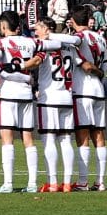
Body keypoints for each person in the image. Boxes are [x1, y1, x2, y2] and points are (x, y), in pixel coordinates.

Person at [0, 10, 40, 194]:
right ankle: (33, 183)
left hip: (9, 93)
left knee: (7, 139)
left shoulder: (0, 43)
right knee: (28, 139)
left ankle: (8, 183)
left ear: (4, 26)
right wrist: (27, 79)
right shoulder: (30, 42)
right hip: (26, 94)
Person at [30, 15, 77, 192]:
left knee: (48, 139)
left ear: (47, 29)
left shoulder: (45, 46)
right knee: (65, 140)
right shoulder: (69, 47)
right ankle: (66, 183)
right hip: (66, 95)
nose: (35, 32)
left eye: (38, 28)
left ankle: (53, 182)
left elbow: (36, 61)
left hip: (49, 98)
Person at [68, 7, 107, 191]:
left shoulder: (77, 40)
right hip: (98, 90)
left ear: (73, 21)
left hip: (82, 90)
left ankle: (83, 181)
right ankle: (100, 181)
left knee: (82, 134)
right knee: (99, 135)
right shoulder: (101, 38)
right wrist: (99, 72)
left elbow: (84, 65)